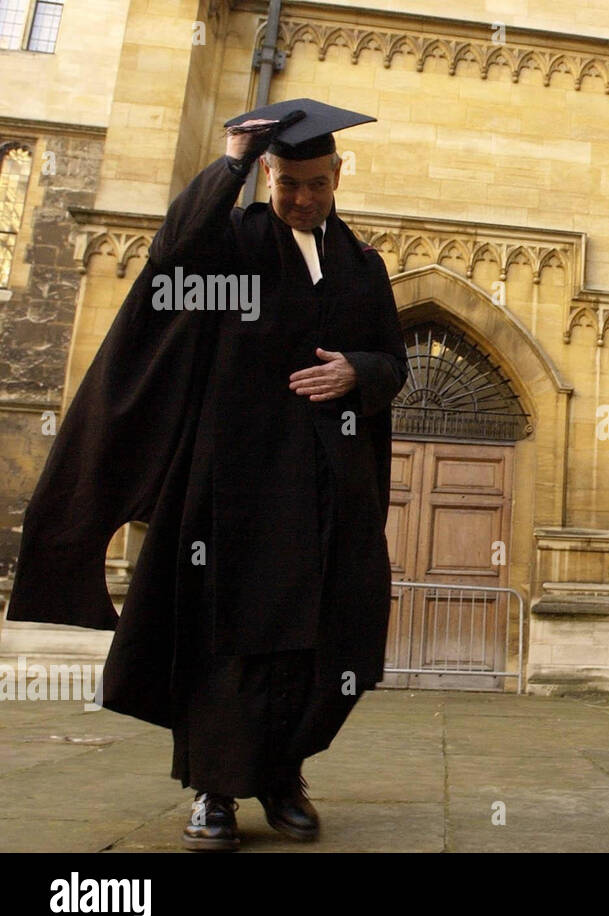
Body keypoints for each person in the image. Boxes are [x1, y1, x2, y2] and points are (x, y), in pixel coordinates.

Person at [6, 99, 408, 851]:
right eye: (286, 183)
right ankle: (215, 793)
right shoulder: (234, 245)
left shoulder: (363, 266)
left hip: (328, 489)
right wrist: (226, 161)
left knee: (316, 643)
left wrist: (359, 371)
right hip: (236, 484)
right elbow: (170, 254)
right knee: (227, 639)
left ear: (338, 176)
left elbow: (396, 361)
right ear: (268, 175)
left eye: (316, 184)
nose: (302, 198)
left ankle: (284, 779)